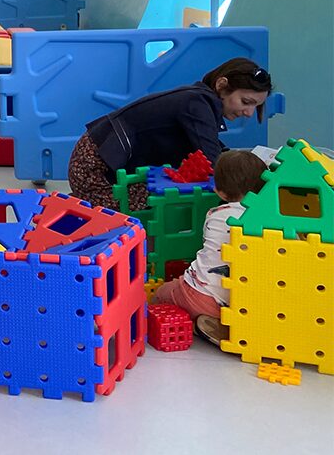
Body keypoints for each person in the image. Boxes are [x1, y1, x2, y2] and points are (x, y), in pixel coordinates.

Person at [68, 57, 272, 211]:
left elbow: (213, 148)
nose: (249, 113)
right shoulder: (197, 104)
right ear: (221, 85)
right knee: (166, 201)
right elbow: (214, 161)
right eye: (246, 102)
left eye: (256, 107)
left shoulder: (199, 101)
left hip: (94, 162)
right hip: (93, 171)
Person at [152, 150, 267, 345]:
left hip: (198, 296)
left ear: (220, 192)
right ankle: (219, 324)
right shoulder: (268, 219)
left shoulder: (216, 214)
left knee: (161, 293)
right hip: (244, 304)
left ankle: (198, 322)